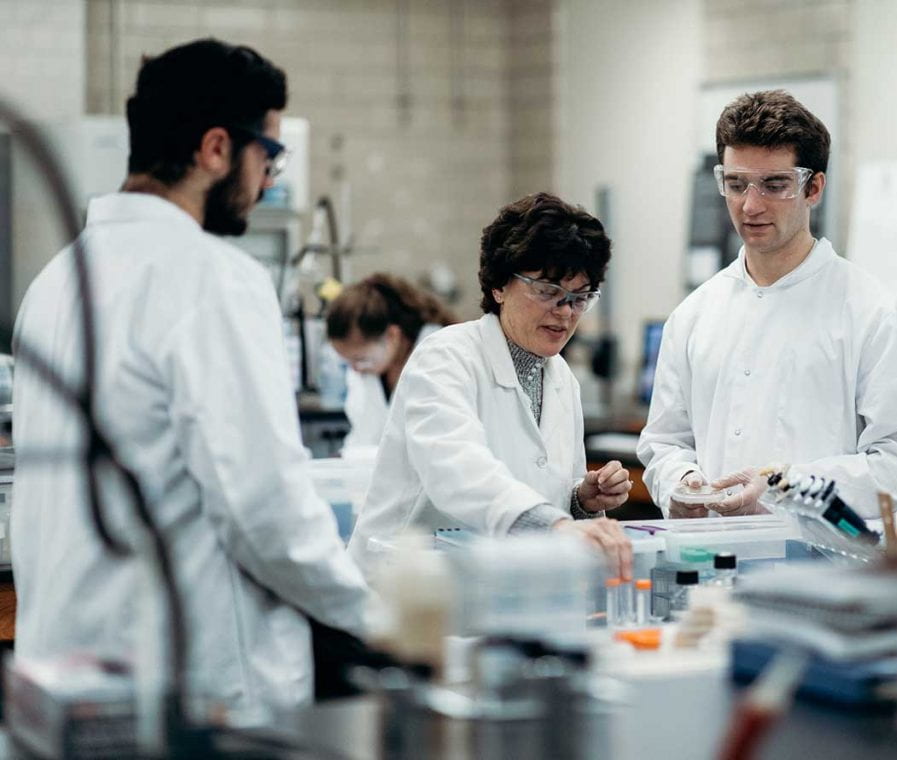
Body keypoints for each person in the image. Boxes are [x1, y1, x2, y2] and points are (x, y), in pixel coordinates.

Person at [11, 39, 367, 712]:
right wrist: (380, 620)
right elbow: (266, 513)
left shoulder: (56, 281)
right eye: (268, 156)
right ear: (215, 149)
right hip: (189, 685)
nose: (267, 182)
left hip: (65, 668)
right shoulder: (211, 277)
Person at [638, 90, 897, 523]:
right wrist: (681, 483)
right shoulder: (693, 315)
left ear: (813, 187)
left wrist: (789, 486)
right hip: (713, 567)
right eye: (736, 184)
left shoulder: (871, 312)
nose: (751, 205)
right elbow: (664, 443)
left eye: (775, 185)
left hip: (830, 573)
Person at [348, 193, 634, 578]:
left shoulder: (562, 378)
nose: (565, 312)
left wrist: (582, 498)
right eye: (548, 291)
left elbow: (546, 490)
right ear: (499, 286)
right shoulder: (446, 358)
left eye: (579, 298)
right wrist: (554, 526)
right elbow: (458, 470)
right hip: (406, 586)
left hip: (499, 588)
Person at [325, 273, 457, 452]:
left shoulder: (438, 354)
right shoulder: (370, 370)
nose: (355, 369)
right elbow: (364, 436)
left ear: (392, 336)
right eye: (348, 362)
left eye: (360, 360)